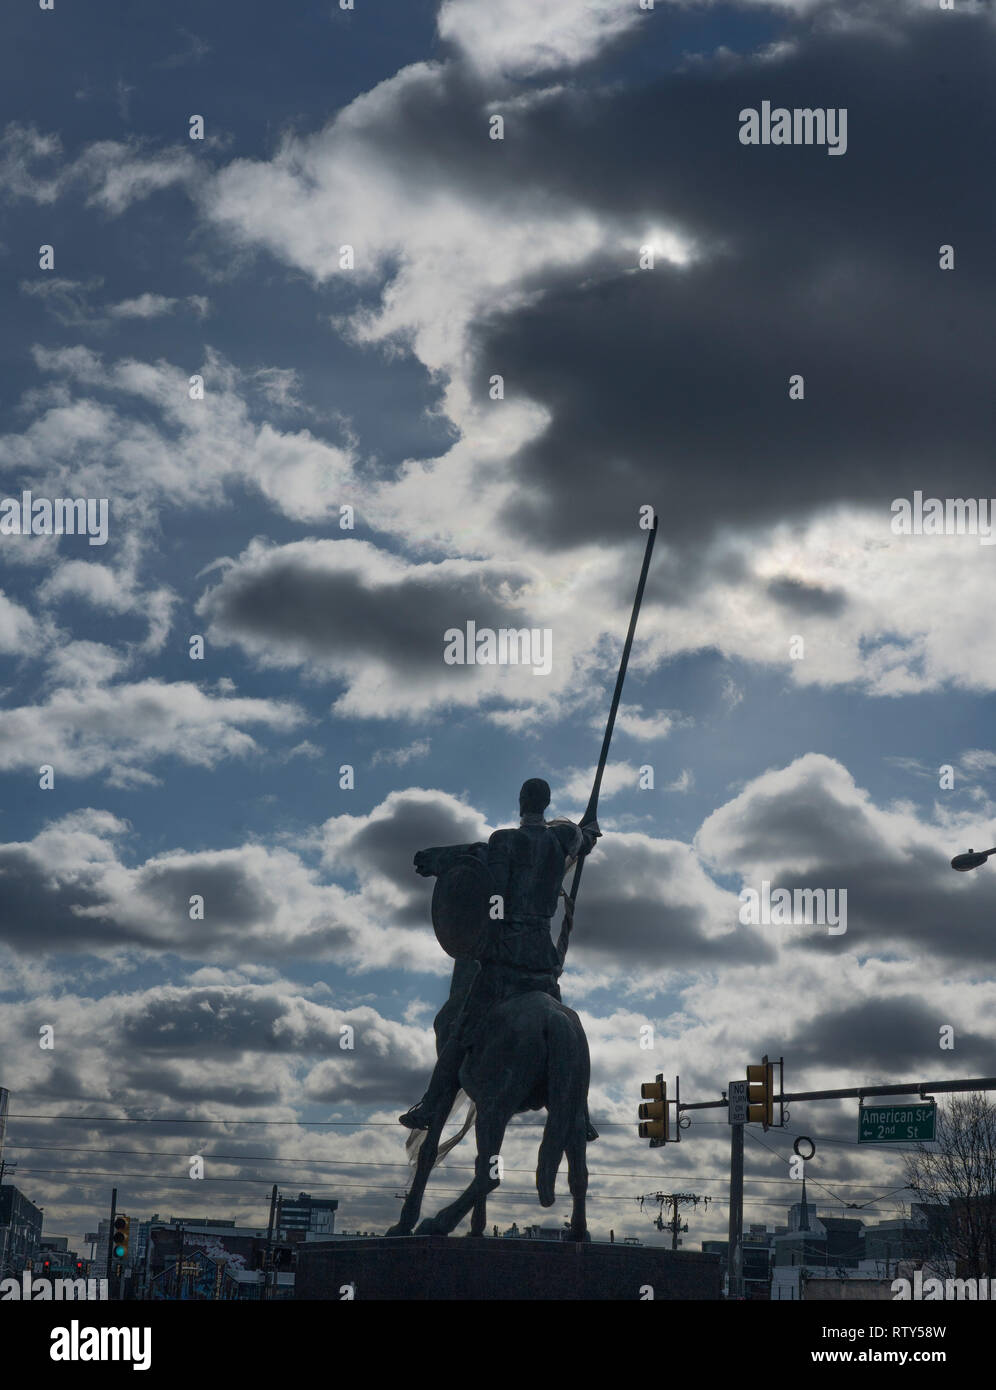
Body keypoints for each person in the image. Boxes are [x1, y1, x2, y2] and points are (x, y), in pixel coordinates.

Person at [399, 777, 600, 1136]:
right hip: (543, 962)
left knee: (459, 1029)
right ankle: (579, 1116)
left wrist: (444, 864)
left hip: (507, 961)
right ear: (547, 802)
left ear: (522, 801)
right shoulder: (562, 841)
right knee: (563, 1022)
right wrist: (588, 830)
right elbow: (583, 840)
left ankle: (431, 1104)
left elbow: (489, 879)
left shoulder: (504, 841)